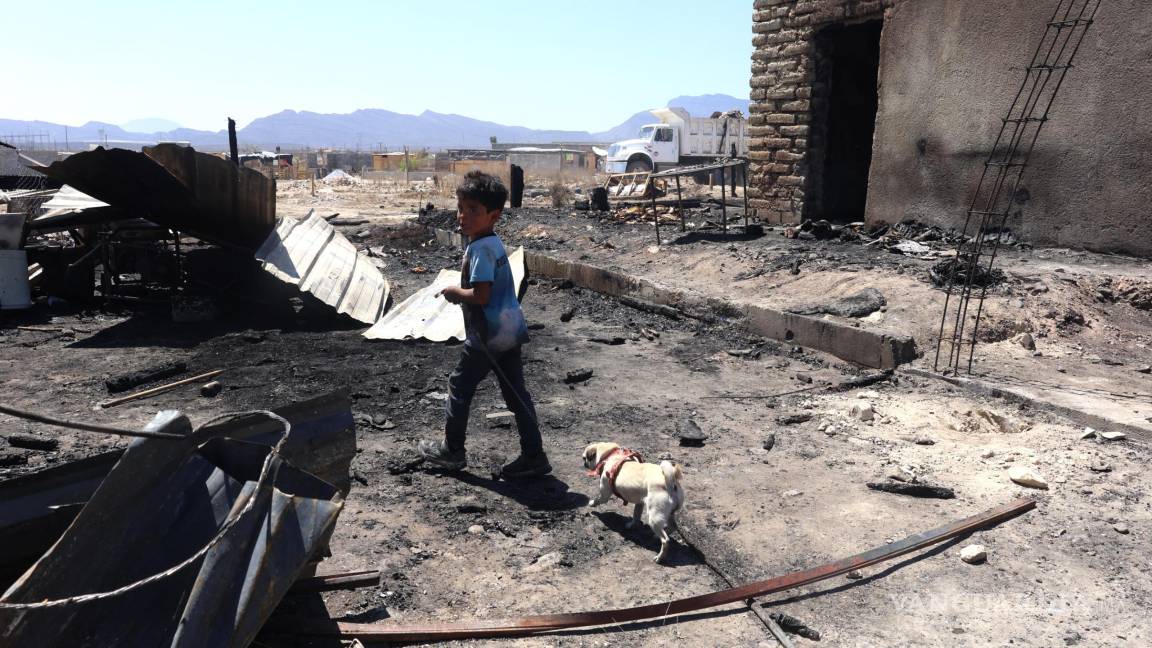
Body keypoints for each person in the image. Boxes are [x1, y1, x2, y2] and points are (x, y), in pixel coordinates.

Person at [417, 171, 551, 478]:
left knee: (459, 385)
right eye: (461, 208)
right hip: (510, 330)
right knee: (516, 394)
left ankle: (452, 450)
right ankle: (534, 455)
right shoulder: (492, 242)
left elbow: (480, 295)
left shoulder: (479, 250)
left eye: (473, 210)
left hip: (488, 336)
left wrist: (455, 293)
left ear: (494, 215)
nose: (463, 216)